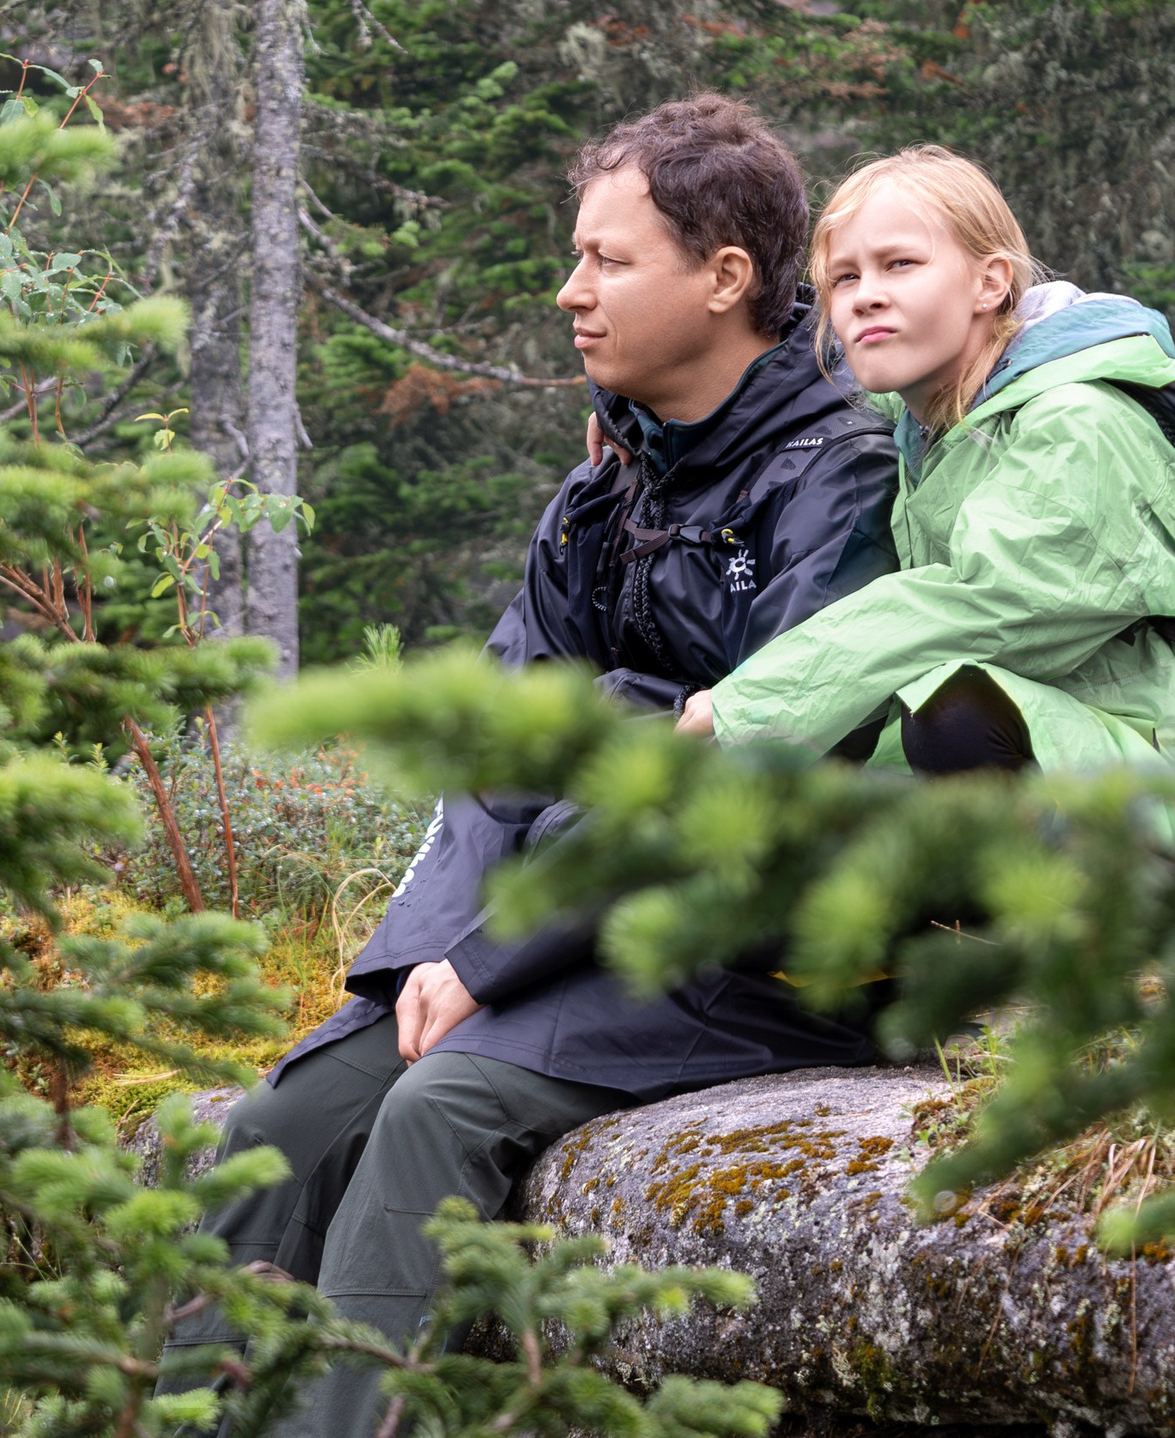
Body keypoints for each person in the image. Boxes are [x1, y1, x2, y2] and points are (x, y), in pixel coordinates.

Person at [164, 96, 901, 1436]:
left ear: (726, 277)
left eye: (610, 261)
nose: (572, 292)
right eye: (577, 256)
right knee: (290, 1115)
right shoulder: (605, 490)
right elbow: (497, 757)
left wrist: (497, 958)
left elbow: (749, 785)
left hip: (746, 958)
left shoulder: (837, 485)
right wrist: (438, 957)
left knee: (435, 1109)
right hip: (563, 937)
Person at [675, 144, 1175, 778]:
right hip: (1061, 751)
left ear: (990, 282)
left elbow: (985, 603)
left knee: (955, 714)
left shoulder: (1078, 421)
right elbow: (789, 387)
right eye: (845, 277)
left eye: (900, 264)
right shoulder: (929, 419)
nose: (865, 296)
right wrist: (646, 420)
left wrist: (753, 705)